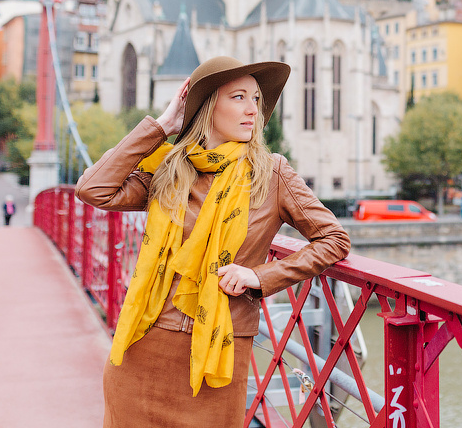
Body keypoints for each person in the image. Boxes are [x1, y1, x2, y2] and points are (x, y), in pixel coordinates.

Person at [75, 56, 351, 428]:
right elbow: (94, 189)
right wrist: (162, 126)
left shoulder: (271, 174)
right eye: (238, 97)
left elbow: (333, 239)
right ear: (208, 107)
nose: (252, 109)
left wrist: (262, 276)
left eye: (256, 99)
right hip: (144, 344)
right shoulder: (169, 170)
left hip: (217, 356)